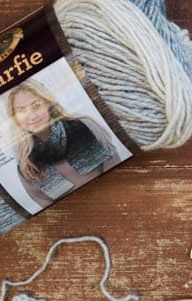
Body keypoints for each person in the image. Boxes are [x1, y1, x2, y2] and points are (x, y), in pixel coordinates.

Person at [7, 79, 121, 209]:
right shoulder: (26, 165)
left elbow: (113, 163)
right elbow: (47, 205)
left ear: (48, 104)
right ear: (14, 118)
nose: (32, 116)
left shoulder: (83, 125)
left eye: (37, 105)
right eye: (21, 110)